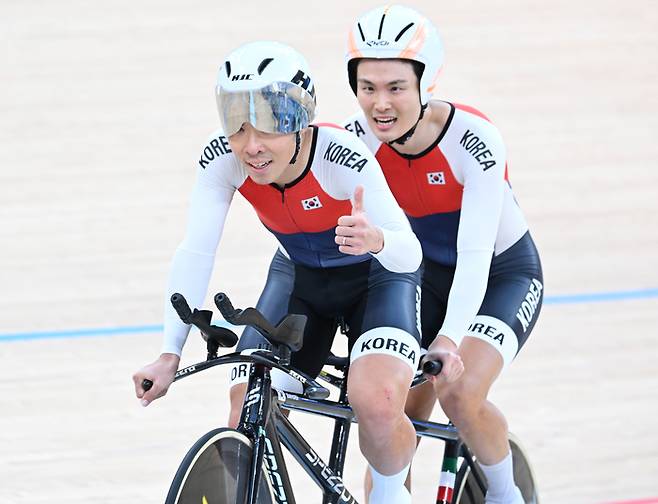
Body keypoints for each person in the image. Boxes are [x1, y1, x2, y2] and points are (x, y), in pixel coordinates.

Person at [132, 40, 425, 504]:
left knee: (376, 401)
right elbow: (195, 252)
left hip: (377, 279)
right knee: (243, 402)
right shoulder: (222, 160)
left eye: (269, 126)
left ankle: (390, 495)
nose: (251, 146)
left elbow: (409, 255)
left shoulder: (340, 156)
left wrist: (378, 241)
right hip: (301, 280)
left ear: (300, 120)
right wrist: (169, 353)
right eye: (236, 124)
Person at [343, 5, 544, 504]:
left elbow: (475, 255)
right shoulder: (355, 142)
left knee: (458, 391)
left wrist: (450, 341)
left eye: (394, 88)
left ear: (425, 83)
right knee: (395, 413)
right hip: (427, 278)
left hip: (501, 274)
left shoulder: (474, 141)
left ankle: (504, 495)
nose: (379, 104)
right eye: (368, 88)